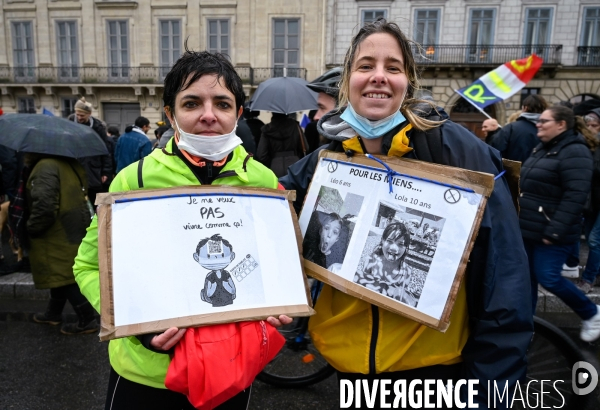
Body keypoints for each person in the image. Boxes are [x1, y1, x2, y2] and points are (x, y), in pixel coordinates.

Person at [280, 18, 532, 407]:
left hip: (433, 374)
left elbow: (505, 275)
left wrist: (494, 386)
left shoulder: (457, 151)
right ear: (347, 81)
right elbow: (267, 213)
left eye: (392, 68)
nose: (378, 76)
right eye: (366, 66)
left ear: (408, 82)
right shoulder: (327, 159)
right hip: (351, 372)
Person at [73, 49, 291, 409]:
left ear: (237, 114)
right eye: (192, 103)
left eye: (222, 103)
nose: (208, 115)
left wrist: (280, 300)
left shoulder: (262, 181)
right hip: (147, 374)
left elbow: (273, 264)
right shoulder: (134, 180)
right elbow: (88, 266)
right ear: (170, 115)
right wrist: (137, 323)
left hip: (232, 368)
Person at [519, 105, 600, 341]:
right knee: (528, 280)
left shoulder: (576, 152)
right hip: (530, 228)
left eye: (544, 121)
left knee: (549, 277)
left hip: (551, 231)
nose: (538, 124)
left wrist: (554, 231)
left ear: (561, 125)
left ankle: (591, 313)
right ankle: (527, 326)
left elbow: (576, 196)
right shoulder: (544, 148)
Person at [23, 153, 98, 335]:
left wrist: (31, 227)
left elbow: (45, 205)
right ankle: (53, 313)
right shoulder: (69, 163)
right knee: (58, 271)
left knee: (64, 274)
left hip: (55, 231)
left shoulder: (45, 167)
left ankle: (87, 319)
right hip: (71, 225)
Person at [68, 98, 113, 206]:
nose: (79, 117)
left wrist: (106, 172)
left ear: (89, 114)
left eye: (82, 115)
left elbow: (105, 150)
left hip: (93, 168)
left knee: (96, 201)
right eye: (77, 114)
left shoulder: (98, 127)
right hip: (74, 165)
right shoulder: (69, 123)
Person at [354, 222, 412, 304]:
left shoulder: (406, 272)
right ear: (382, 241)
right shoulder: (371, 261)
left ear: (406, 248)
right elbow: (362, 286)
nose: (394, 248)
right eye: (389, 241)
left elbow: (399, 300)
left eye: (400, 244)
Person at [576, 114, 600, 293]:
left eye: (595, 125)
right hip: (593, 200)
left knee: (594, 240)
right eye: (589, 125)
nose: (592, 128)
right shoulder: (587, 146)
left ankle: (588, 278)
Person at [491, 94, 548, 162]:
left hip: (511, 171)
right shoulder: (551, 130)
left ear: (525, 108)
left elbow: (496, 153)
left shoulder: (510, 128)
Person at [255, 112, 307, 177]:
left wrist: (272, 161)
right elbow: (305, 147)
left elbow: (261, 155)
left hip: (275, 166)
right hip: (295, 164)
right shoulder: (295, 126)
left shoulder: (267, 129)